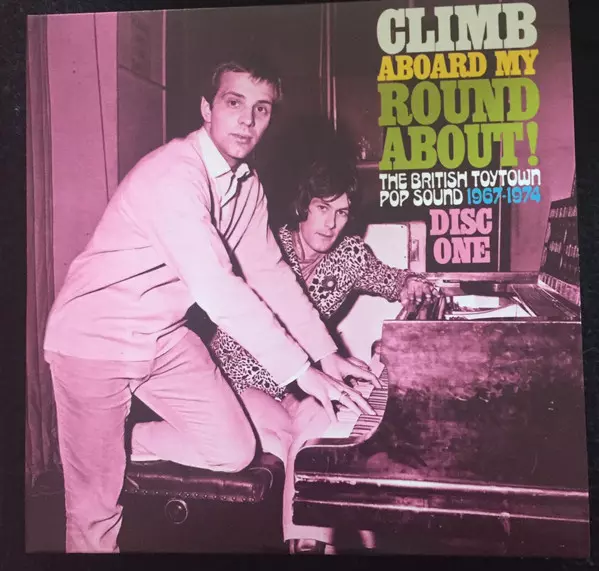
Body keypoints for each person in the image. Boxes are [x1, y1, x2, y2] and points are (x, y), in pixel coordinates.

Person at [43, 57, 378, 553]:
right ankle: (95, 455)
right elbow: (218, 290)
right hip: (95, 338)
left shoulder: (246, 186)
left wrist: (326, 354)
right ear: (206, 108)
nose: (248, 120)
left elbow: (270, 273)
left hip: (163, 336)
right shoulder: (174, 175)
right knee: (95, 515)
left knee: (235, 450)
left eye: (261, 108)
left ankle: (114, 444)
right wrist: (301, 372)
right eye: (234, 102)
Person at [209, 132, 437, 553]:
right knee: (285, 436)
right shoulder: (266, 246)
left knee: (320, 427)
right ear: (303, 205)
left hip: (297, 385)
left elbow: (393, 279)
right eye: (322, 207)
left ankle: (309, 544)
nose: (330, 223)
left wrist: (413, 284)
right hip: (238, 377)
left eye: (342, 212)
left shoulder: (350, 256)